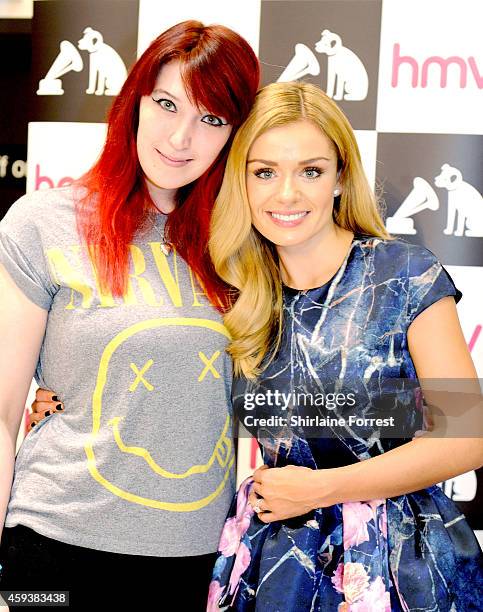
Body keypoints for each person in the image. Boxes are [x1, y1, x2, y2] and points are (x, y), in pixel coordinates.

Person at [0, 20, 259, 609]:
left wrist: (443, 417)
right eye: (166, 104)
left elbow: (272, 401)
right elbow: (3, 409)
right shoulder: (43, 223)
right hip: (52, 548)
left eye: (211, 119)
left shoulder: (246, 247)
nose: (179, 137)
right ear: (134, 101)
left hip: (194, 557)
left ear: (235, 136)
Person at [206, 82, 483, 610]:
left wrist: (323, 489)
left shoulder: (403, 275)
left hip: (401, 563)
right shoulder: (234, 291)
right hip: (274, 561)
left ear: (339, 178)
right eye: (264, 171)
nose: (286, 194)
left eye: (310, 171)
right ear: (240, 181)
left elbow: (467, 437)